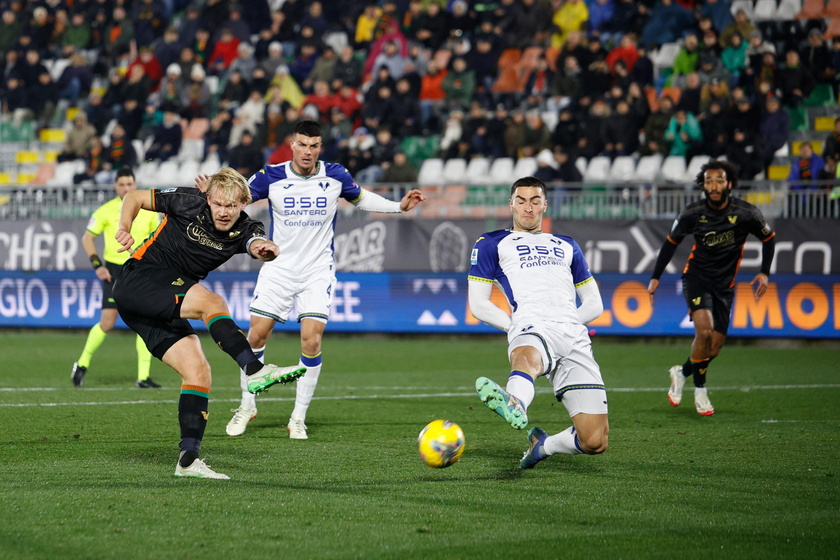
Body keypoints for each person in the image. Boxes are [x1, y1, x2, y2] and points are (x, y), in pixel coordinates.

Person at [225, 120, 425, 440]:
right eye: (302, 144)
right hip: (279, 268)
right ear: (292, 144)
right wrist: (209, 194)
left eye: (314, 145)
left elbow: (361, 198)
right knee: (255, 339)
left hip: (318, 271)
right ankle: (247, 405)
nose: (308, 151)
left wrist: (398, 207)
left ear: (321, 147)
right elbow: (236, 199)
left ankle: (298, 417)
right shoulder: (271, 176)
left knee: (312, 341)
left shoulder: (335, 175)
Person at [111, 167, 306, 479]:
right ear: (208, 198)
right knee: (212, 303)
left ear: (244, 203)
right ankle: (254, 371)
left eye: (232, 205)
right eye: (218, 204)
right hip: (140, 278)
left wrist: (264, 249)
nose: (224, 211)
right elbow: (134, 197)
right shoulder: (188, 200)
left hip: (151, 308)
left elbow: (256, 243)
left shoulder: (246, 228)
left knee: (198, 371)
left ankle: (188, 460)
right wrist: (124, 227)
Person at [468, 176, 608, 469]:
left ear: (545, 204)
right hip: (530, 325)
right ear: (511, 204)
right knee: (527, 356)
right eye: (521, 201)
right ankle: (515, 402)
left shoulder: (567, 245)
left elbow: (595, 304)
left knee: (595, 441)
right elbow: (478, 304)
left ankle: (543, 446)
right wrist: (517, 326)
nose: (527, 208)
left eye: (534, 201)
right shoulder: (492, 242)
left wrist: (563, 322)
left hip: (573, 334)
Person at [647, 160, 776, 416]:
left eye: (718, 181)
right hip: (696, 278)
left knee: (714, 348)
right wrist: (655, 277)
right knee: (704, 333)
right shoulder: (693, 212)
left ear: (729, 183)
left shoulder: (746, 213)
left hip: (724, 286)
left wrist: (764, 273)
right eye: (708, 182)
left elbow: (769, 239)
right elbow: (671, 242)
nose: (713, 186)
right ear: (702, 185)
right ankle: (701, 390)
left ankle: (681, 372)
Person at [71, 168, 161, 388]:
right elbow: (87, 239)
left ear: (135, 184)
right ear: (115, 186)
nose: (126, 188)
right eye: (122, 184)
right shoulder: (105, 210)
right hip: (114, 271)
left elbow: (158, 238)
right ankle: (81, 364)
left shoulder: (148, 210)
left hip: (140, 269)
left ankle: (143, 377)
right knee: (107, 322)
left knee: (145, 321)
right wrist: (97, 266)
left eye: (130, 184)